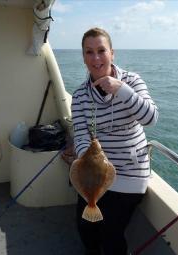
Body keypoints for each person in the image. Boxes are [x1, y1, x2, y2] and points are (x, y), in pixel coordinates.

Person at [71, 27, 158, 255]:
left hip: (130, 173)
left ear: (112, 53)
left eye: (101, 50)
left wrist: (122, 90)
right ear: (83, 57)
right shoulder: (80, 95)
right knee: (85, 227)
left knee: (111, 233)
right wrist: (86, 156)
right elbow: (80, 132)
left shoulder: (132, 81)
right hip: (95, 173)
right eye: (89, 52)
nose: (96, 58)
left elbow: (151, 118)